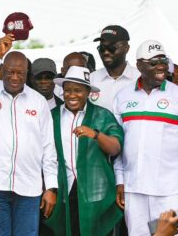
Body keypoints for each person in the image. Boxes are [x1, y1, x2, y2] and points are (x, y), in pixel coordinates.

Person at [0, 34, 58, 236]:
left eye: (20, 73)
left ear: (27, 74)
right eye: (9, 72)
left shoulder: (38, 101)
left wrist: (51, 186)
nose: (15, 78)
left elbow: (48, 147)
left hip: (29, 187)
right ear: (2, 70)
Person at [113, 40, 178, 236]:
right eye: (154, 62)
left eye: (163, 61)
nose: (161, 66)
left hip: (170, 189)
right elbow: (118, 142)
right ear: (139, 65)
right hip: (134, 189)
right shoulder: (122, 97)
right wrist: (120, 180)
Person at [44, 66, 124, 235]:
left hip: (95, 191)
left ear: (88, 92)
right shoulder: (52, 116)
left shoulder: (102, 115)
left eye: (78, 90)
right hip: (64, 188)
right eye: (68, 90)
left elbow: (116, 148)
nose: (72, 95)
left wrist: (95, 134)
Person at [90, 25, 140, 111]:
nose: (106, 52)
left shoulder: (140, 79)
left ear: (126, 48)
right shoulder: (91, 80)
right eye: (102, 48)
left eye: (111, 48)